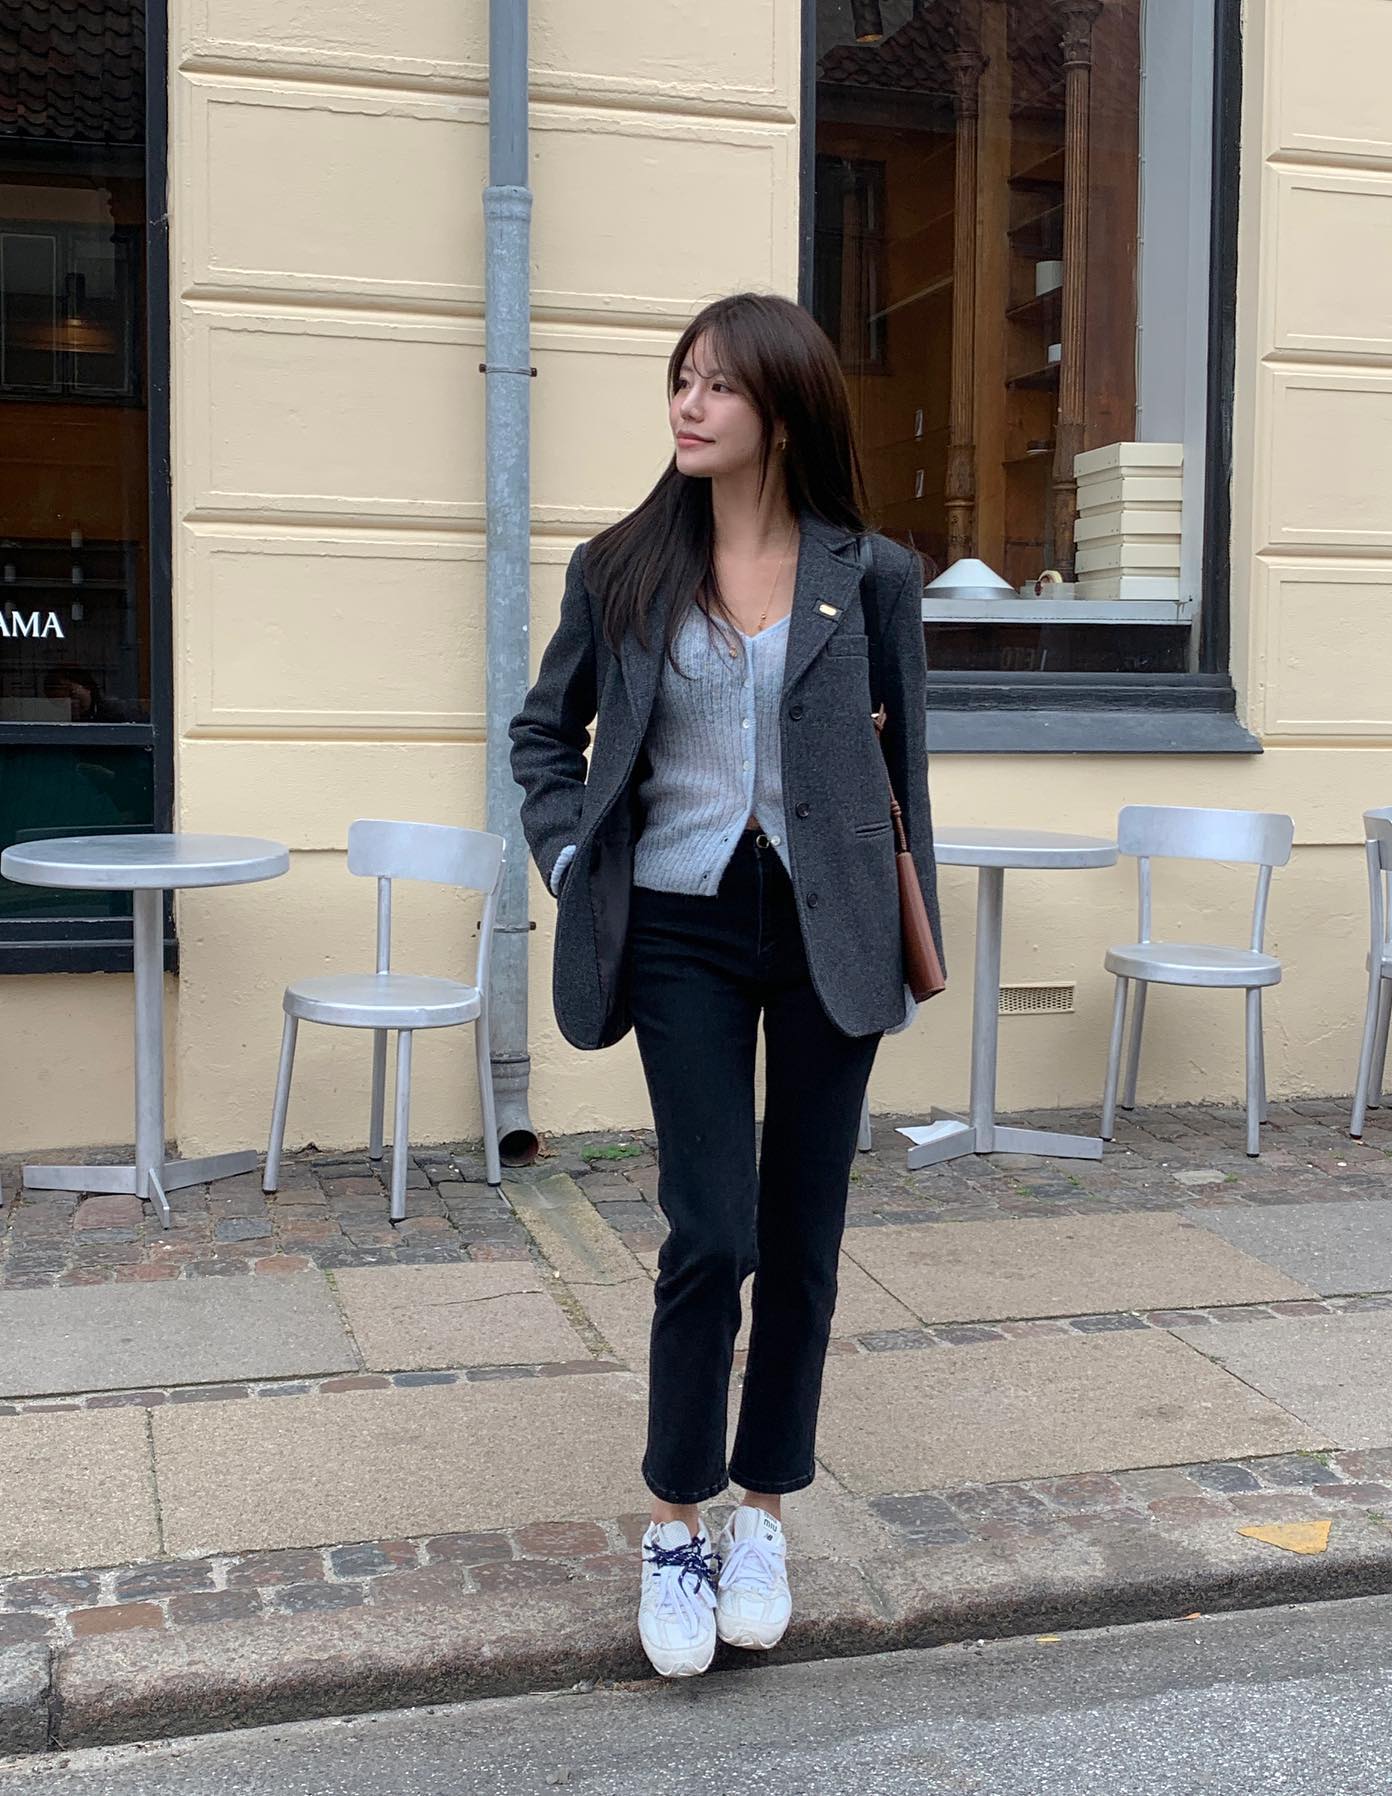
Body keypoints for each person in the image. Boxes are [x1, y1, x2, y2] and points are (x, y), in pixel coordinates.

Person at [509, 291, 941, 1679]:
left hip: (826, 929)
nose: (688, 407)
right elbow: (543, 737)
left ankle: (764, 1513)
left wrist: (905, 928)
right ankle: (674, 1522)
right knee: (710, 1230)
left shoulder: (870, 575)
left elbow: (905, 778)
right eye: (680, 382)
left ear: (785, 410)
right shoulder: (622, 567)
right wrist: (573, 857)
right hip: (681, 925)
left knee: (804, 1234)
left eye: (717, 386)